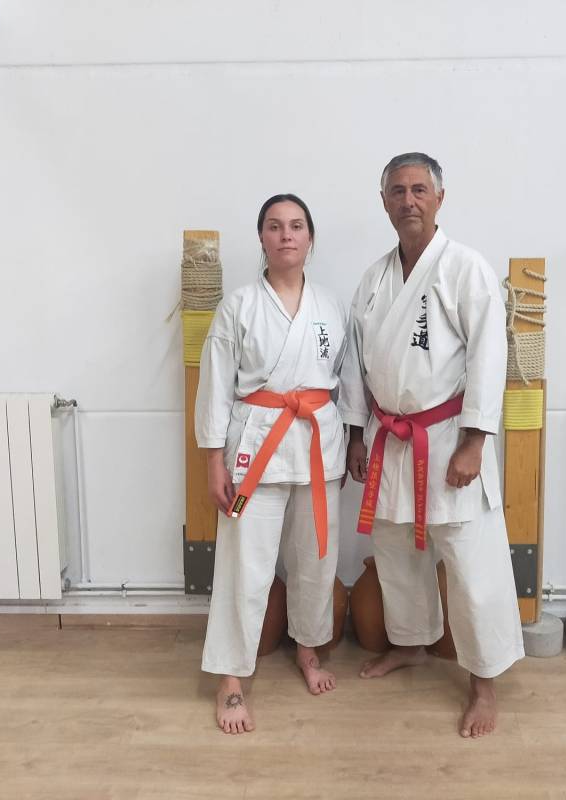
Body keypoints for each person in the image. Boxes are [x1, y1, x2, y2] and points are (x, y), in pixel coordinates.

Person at [339, 153, 524, 738]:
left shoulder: (465, 268)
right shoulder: (374, 279)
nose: (409, 200)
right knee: (396, 550)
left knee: (470, 563)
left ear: (440, 197)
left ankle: (484, 682)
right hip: (388, 439)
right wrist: (354, 433)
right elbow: (355, 364)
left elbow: (488, 357)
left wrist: (475, 441)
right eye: (397, 191)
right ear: (384, 202)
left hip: (447, 439)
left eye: (419, 189)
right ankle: (412, 644)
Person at [195, 194, 347, 734]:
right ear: (261, 237)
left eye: (297, 226)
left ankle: (308, 649)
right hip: (255, 448)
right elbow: (216, 388)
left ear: (310, 238)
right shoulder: (238, 306)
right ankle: (231, 678)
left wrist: (353, 438)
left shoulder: (331, 305)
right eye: (275, 226)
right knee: (244, 566)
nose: (286, 235)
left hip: (318, 447)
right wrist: (213, 461)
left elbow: (348, 381)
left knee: (316, 560)